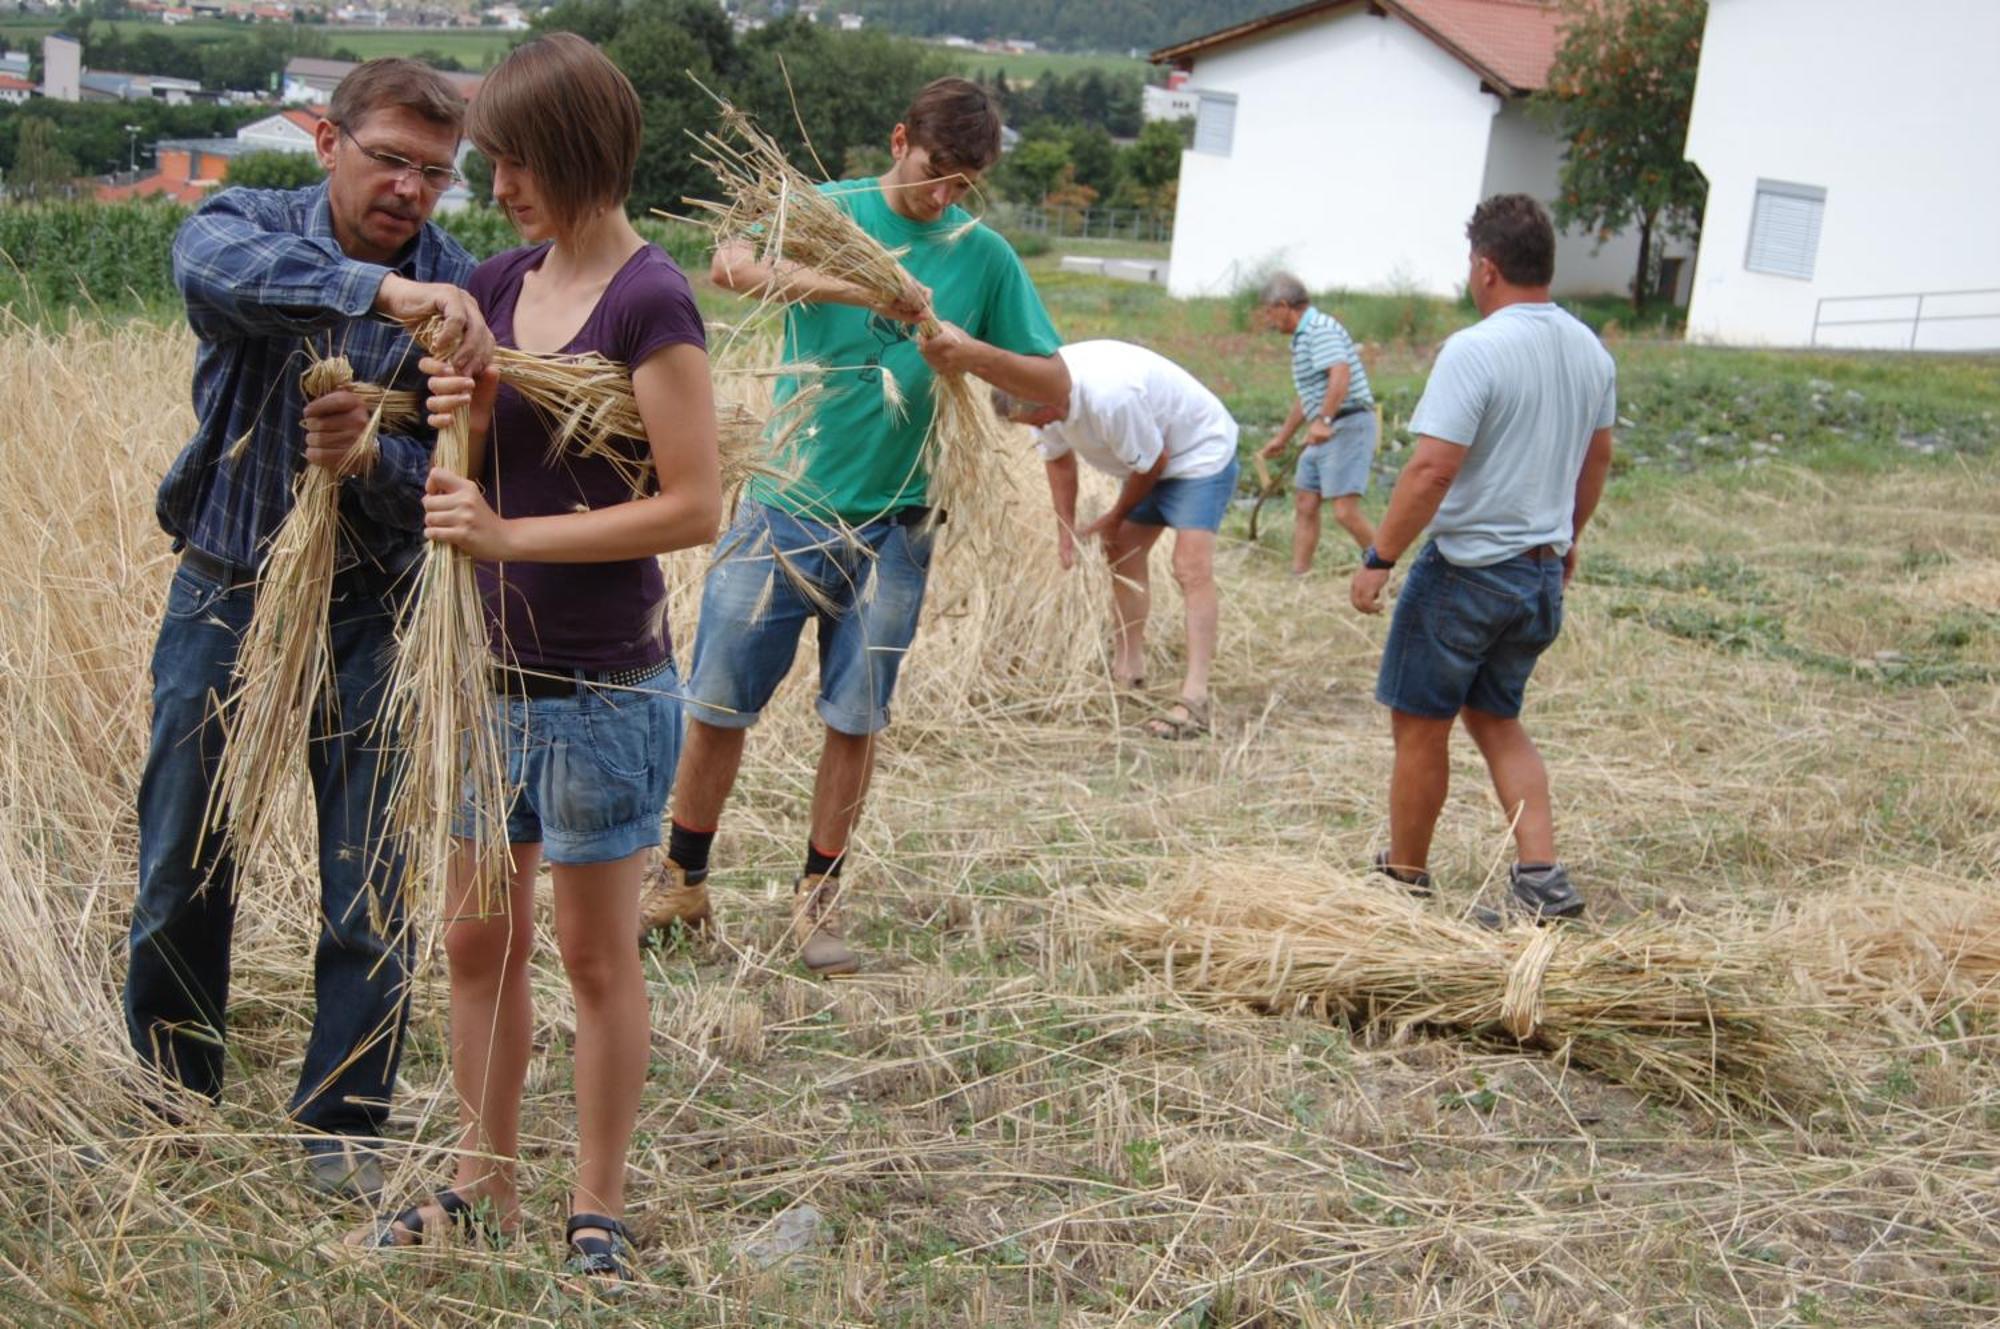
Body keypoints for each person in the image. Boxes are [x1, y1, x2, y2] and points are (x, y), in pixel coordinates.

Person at [341, 34, 720, 1285]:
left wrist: (511, 533)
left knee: (593, 955)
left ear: (582, 156)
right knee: (471, 941)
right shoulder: (495, 285)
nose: (494, 187)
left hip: (600, 684)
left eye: (516, 162)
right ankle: (477, 1178)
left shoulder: (650, 300)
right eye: (492, 164)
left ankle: (596, 1200)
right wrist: (439, 424)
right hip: (477, 676)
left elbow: (691, 505)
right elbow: (471, 460)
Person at [127, 58, 493, 1204]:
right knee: (183, 850)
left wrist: (371, 458)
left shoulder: (465, 291)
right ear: (328, 141)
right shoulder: (252, 223)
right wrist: (376, 297)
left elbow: (463, 488)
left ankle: (343, 1121)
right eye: (389, 159)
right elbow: (211, 272)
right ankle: (169, 1087)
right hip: (228, 585)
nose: (410, 190)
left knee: (369, 874)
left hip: (379, 604)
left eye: (434, 173)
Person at [636, 77, 1068, 972]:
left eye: (964, 182)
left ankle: (816, 903)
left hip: (898, 525)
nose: (944, 195)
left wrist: (965, 352)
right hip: (785, 505)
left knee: (856, 717)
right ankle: (681, 880)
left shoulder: (982, 257)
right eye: (934, 170)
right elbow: (731, 261)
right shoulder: (830, 209)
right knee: (718, 704)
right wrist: (859, 286)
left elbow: (1052, 383)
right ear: (899, 136)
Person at [1349, 194, 1614, 923]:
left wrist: (1379, 555)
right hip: (1536, 573)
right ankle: (1541, 878)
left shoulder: (1476, 348)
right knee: (1497, 718)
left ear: (1487, 268)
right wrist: (1566, 539)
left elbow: (1432, 468)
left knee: (1419, 723)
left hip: (1467, 573)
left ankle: (1403, 879)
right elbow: (1597, 459)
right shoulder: (1589, 350)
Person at [992, 339, 1240, 739]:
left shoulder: (1110, 396)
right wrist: (1066, 532)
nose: (1039, 430)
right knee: (1121, 551)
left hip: (1198, 453)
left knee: (1190, 568)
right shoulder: (1038, 399)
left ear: (1046, 401)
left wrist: (1114, 516)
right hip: (1149, 456)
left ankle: (1195, 696)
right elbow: (1058, 462)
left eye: (1038, 421)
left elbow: (1153, 464)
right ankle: (1129, 666)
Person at [1255, 272, 1378, 575]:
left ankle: (1383, 569)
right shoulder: (1302, 338)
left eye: (1270, 313)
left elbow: (1340, 374)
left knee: (1344, 511)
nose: (1270, 321)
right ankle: (1299, 575)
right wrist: (1283, 437)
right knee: (1305, 502)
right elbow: (1308, 394)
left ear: (1284, 305)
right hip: (1325, 427)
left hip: (1345, 424)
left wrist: (1323, 420)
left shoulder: (1320, 330)